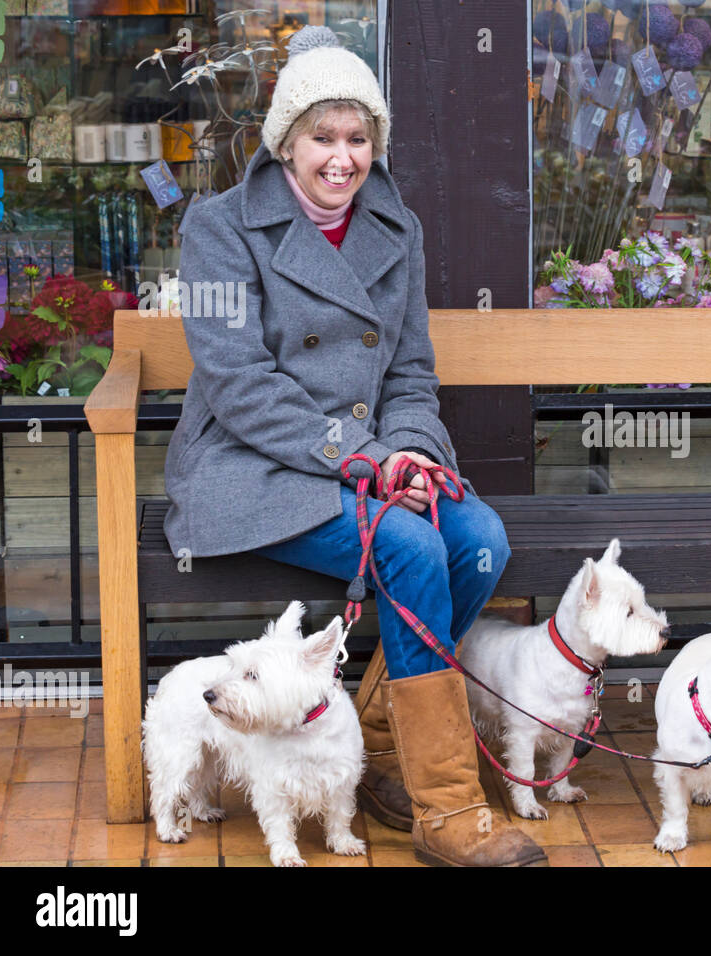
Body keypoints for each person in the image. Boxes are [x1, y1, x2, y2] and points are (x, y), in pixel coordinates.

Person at [161, 25, 545, 867]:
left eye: (358, 138)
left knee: (478, 540)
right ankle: (448, 809)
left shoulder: (391, 226)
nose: (343, 158)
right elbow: (238, 384)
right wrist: (365, 462)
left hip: (369, 459)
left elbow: (410, 373)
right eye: (323, 138)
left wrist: (409, 453)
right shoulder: (219, 227)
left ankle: (380, 749)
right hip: (249, 465)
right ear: (286, 143)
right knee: (410, 545)